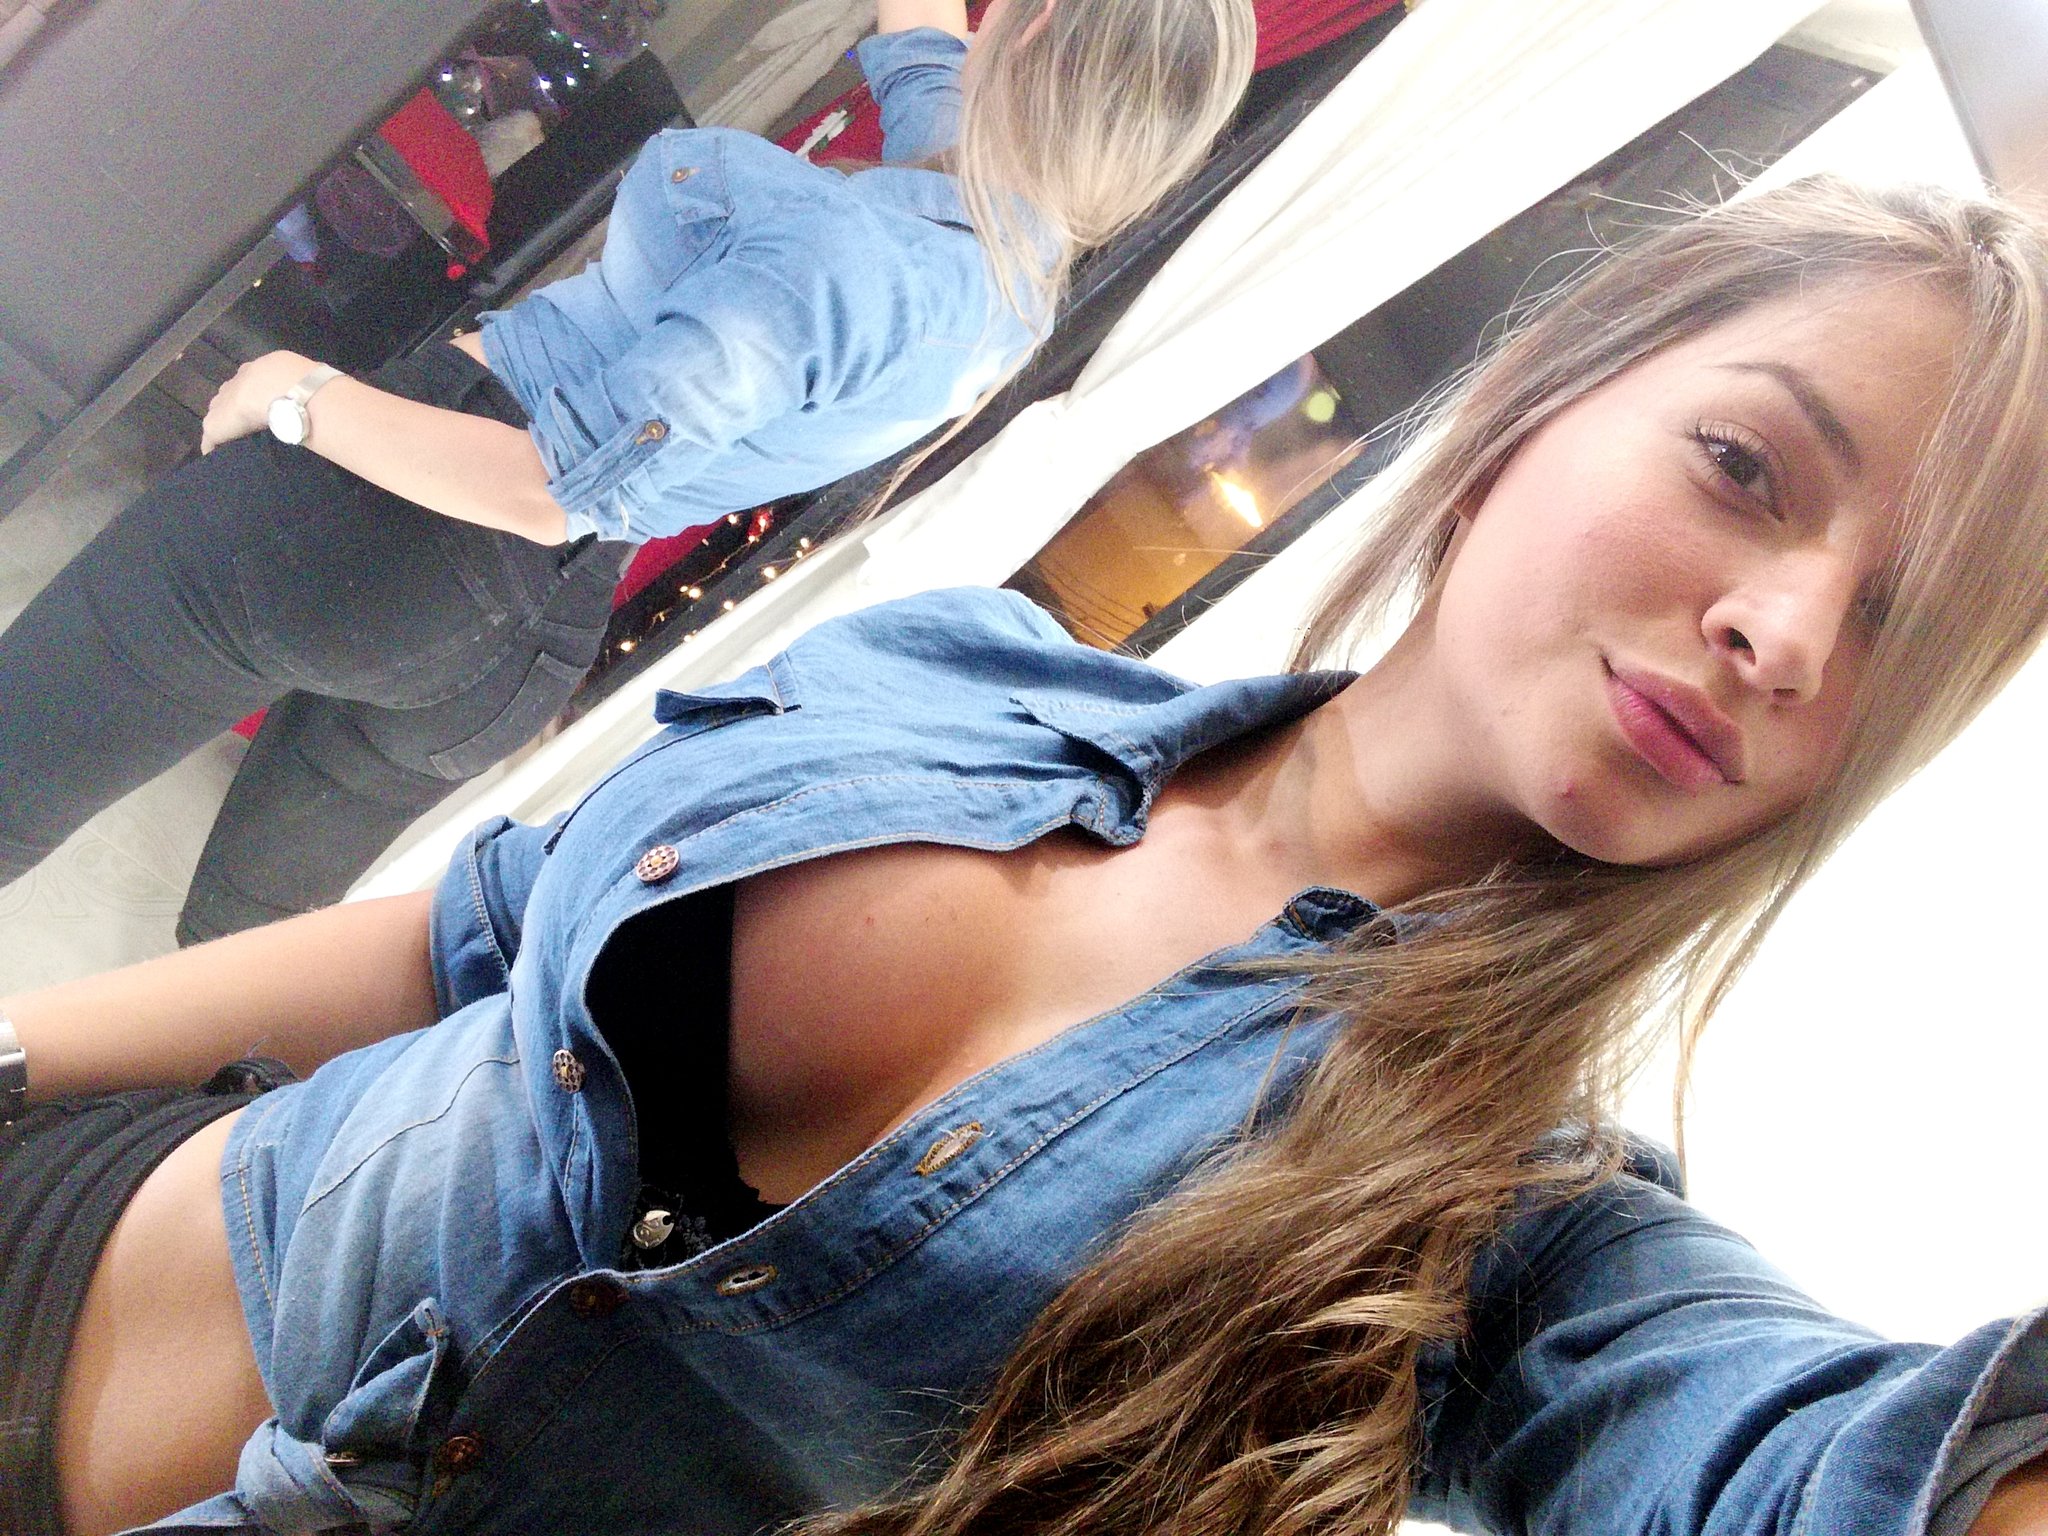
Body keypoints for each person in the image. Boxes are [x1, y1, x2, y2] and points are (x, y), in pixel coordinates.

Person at [5, 176, 2048, 1536]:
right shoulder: (961, 670)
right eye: (1743, 467)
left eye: (1896, 625)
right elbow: (475, 930)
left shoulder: (1493, 1226)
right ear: (1545, 404)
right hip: (73, 1228)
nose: (1786, 632)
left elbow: (1789, 1458)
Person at [0, 0, 1257, 945]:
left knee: (19, 761)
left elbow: (549, 485)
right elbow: (922, 41)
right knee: (242, 955)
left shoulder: (850, 261)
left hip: (412, 510)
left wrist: (300, 394)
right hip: (519, 642)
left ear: (1032, 31)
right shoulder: (1004, 263)